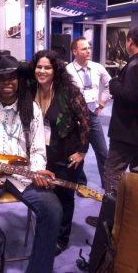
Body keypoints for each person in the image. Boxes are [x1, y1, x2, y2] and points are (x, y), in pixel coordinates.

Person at [0, 55, 63, 273]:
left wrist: (37, 171)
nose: (7, 82)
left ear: (19, 80)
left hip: (22, 174)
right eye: (2, 78)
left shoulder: (32, 108)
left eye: (12, 78)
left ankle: (38, 269)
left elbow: (38, 149)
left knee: (53, 210)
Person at [31, 50, 90, 256]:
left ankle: (61, 239)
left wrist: (82, 151)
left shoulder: (68, 91)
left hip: (68, 155)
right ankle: (47, 231)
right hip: (44, 153)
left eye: (47, 67)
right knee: (45, 195)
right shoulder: (32, 89)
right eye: (39, 66)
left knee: (64, 197)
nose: (43, 71)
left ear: (56, 70)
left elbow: (85, 120)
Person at [66, 36, 111, 188]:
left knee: (103, 152)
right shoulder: (67, 71)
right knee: (78, 153)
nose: (88, 51)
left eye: (89, 48)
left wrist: (103, 102)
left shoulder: (98, 68)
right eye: (84, 48)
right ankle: (81, 183)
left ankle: (107, 185)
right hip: (75, 118)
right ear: (74, 51)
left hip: (92, 115)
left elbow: (109, 85)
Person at [104, 26, 138, 194]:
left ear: (130, 41)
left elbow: (130, 96)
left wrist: (114, 83)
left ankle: (109, 219)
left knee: (113, 172)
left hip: (126, 132)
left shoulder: (134, 65)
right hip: (132, 132)